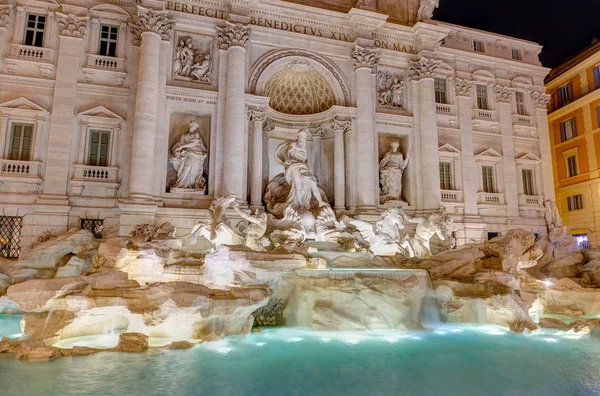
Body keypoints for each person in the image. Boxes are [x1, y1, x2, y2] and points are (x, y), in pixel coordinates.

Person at [278, 130, 327, 210]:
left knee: (312, 183)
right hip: (294, 167)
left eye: (304, 136)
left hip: (303, 167)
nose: (302, 138)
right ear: (298, 137)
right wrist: (288, 160)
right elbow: (287, 152)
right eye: (301, 136)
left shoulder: (304, 146)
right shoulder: (294, 144)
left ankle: (320, 202)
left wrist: (308, 167)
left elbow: (304, 159)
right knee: (298, 186)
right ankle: (300, 205)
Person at [169, 121, 208, 190]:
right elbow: (179, 143)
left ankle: (190, 184)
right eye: (194, 126)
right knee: (187, 166)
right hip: (186, 153)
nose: (195, 128)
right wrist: (178, 149)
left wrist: (182, 147)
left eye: (196, 127)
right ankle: (181, 183)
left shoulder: (196, 134)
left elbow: (194, 143)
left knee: (192, 168)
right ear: (191, 126)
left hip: (196, 153)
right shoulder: (184, 135)